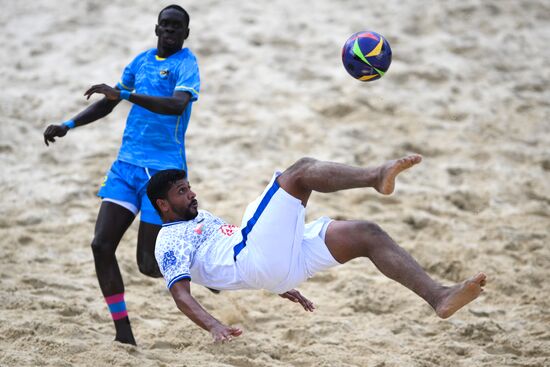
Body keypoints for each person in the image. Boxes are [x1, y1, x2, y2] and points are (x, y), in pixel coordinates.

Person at [146, 154, 487, 343]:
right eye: (181, 191)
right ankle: (375, 175)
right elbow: (181, 294)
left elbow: (216, 267)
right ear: (163, 204)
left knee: (367, 233)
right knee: (299, 172)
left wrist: (277, 285)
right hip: (254, 258)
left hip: (275, 267)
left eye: (189, 187)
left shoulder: (197, 218)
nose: (191, 194)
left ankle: (438, 296)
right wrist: (213, 325)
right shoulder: (168, 241)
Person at [42, 5, 200, 345]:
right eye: (165, 25)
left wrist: (126, 95)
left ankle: (206, 270)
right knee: (101, 245)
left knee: (147, 263)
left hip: (163, 175)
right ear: (156, 29)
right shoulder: (141, 61)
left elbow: (175, 105)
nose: (170, 31)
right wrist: (68, 124)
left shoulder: (186, 64)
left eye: (177, 27)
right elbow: (109, 102)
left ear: (185, 34)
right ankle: (123, 332)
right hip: (125, 168)